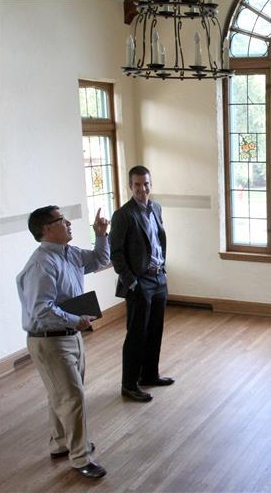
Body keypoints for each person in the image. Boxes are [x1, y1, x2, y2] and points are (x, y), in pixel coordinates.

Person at [16, 206, 110, 478]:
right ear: (46, 229)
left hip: (71, 336)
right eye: (62, 220)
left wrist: (101, 235)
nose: (69, 223)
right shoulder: (41, 264)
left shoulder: (69, 253)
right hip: (50, 341)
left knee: (62, 394)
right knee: (72, 396)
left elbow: (98, 261)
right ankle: (81, 457)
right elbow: (41, 310)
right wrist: (74, 320)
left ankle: (60, 443)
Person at [110, 165, 174, 402]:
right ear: (130, 186)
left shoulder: (156, 208)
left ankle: (149, 374)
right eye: (137, 185)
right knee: (137, 334)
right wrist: (132, 282)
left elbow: (157, 241)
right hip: (139, 281)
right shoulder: (123, 215)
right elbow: (115, 253)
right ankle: (129, 384)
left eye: (146, 184)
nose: (142, 189)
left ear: (150, 184)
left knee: (155, 329)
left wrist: (163, 271)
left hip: (158, 277)